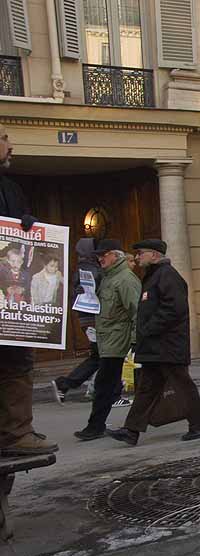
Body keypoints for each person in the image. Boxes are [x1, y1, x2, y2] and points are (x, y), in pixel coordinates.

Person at [108, 240, 200, 446]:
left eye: (141, 253)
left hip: (167, 345)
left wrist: (148, 328)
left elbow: (174, 308)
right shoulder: (154, 276)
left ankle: (199, 426)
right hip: (156, 347)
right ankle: (131, 430)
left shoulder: (167, 275)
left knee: (183, 385)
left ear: (154, 255)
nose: (137, 257)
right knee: (147, 388)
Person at [0, 125, 56, 456]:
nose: (11, 145)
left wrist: (27, 226)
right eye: (5, 138)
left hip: (11, 304)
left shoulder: (11, 187)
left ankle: (16, 433)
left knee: (17, 362)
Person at [72, 240, 139, 440]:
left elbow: (136, 310)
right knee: (106, 385)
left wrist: (135, 340)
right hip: (107, 339)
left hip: (117, 340)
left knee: (104, 385)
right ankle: (98, 426)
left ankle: (96, 426)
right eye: (99, 254)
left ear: (115, 255)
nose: (100, 258)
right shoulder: (109, 277)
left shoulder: (125, 279)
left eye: (104, 254)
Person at [52, 238, 103, 403]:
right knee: (104, 355)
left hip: (87, 319)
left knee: (99, 355)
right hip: (94, 318)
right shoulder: (91, 268)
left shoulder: (80, 268)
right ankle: (104, 391)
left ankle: (66, 384)